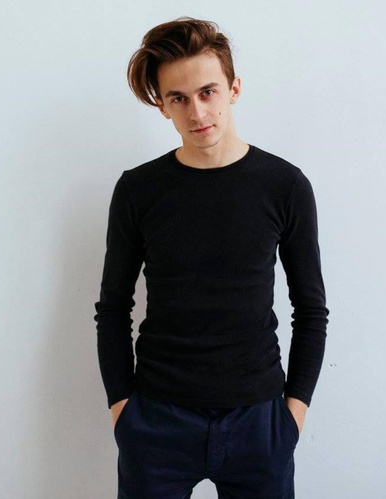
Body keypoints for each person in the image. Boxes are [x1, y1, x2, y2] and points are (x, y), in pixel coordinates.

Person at [94, 17, 329, 499]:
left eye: (208, 92)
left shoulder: (284, 186)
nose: (197, 111)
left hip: (259, 421)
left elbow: (311, 309)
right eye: (178, 98)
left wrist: (293, 415)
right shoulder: (139, 190)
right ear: (163, 106)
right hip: (156, 420)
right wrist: (123, 410)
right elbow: (113, 308)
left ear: (233, 89)